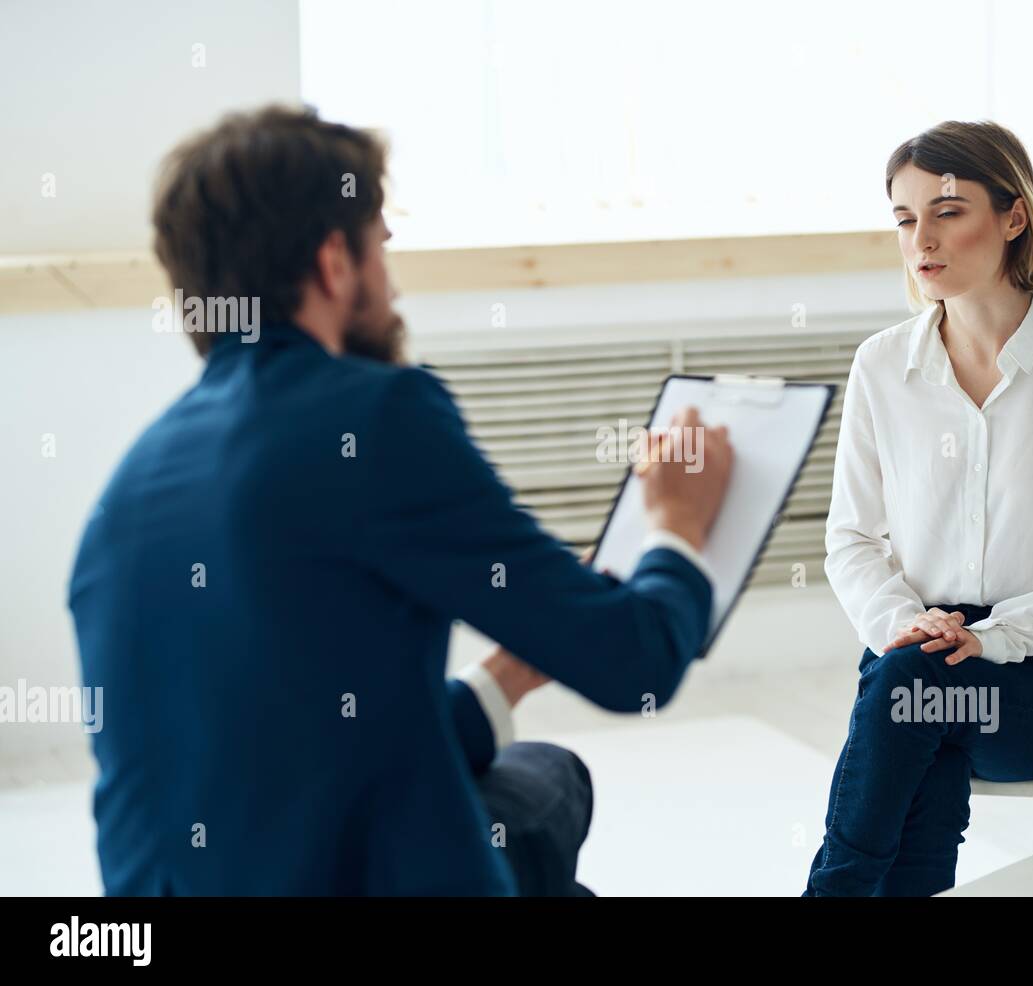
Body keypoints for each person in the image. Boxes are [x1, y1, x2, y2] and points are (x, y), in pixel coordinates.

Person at [67, 105, 733, 896]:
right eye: (382, 246)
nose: (393, 281)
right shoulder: (373, 414)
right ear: (333, 264)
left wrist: (504, 680)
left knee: (539, 771)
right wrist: (678, 529)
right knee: (555, 791)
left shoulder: (130, 485)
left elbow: (294, 754)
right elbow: (636, 666)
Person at [804, 120, 1033, 897]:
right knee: (917, 708)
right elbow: (853, 538)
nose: (921, 240)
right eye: (905, 219)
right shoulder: (882, 366)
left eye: (947, 211)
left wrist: (994, 638)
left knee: (912, 693)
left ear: (1013, 218)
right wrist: (909, 624)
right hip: (915, 661)